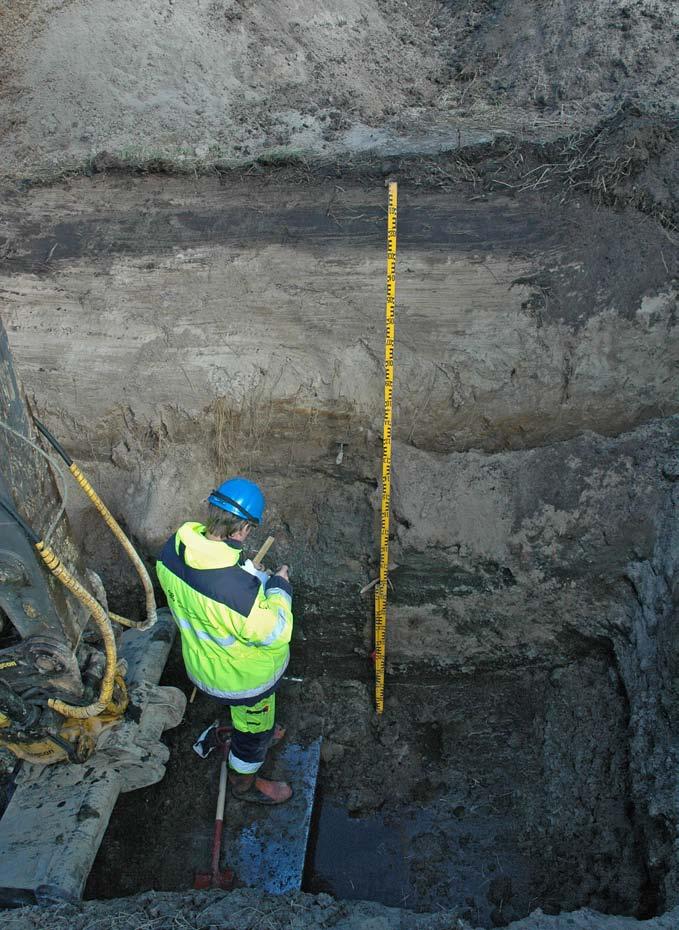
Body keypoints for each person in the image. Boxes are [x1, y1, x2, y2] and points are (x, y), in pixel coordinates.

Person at [156, 477, 294, 804]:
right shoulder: (237, 594)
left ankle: (253, 727)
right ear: (243, 529)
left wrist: (243, 572)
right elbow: (276, 633)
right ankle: (244, 783)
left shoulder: (173, 549)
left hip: (202, 664)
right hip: (243, 680)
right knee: (253, 735)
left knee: (250, 718)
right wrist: (278, 588)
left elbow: (205, 591)